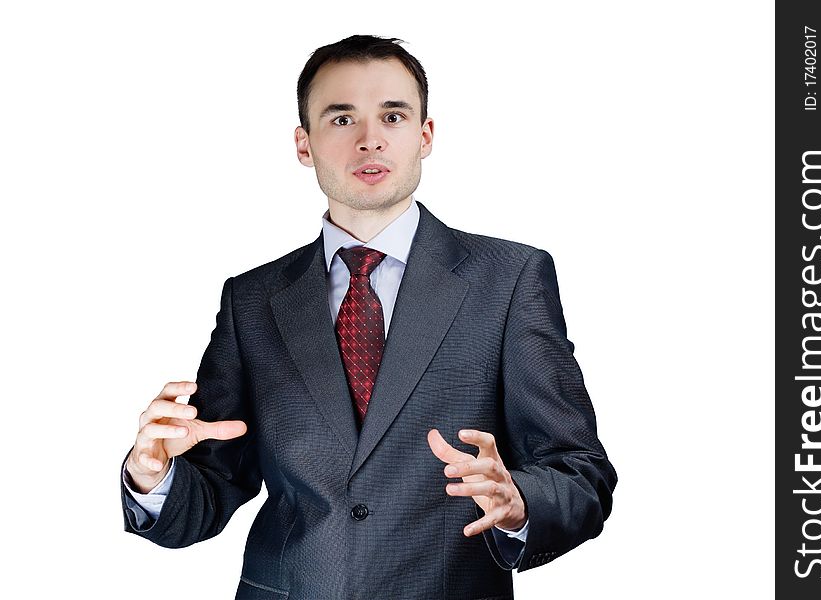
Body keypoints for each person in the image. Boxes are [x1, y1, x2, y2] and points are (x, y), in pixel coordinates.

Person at [121, 34, 617, 599]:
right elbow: (210, 489)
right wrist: (152, 474)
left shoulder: (508, 279)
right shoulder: (252, 300)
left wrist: (518, 501)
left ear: (425, 135)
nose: (369, 140)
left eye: (393, 116)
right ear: (303, 145)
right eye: (341, 120)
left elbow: (580, 473)